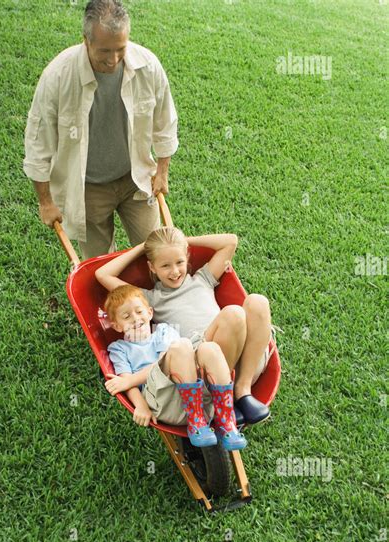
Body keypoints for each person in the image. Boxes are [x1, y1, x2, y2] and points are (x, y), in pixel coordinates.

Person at [23, 0, 178, 259]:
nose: (113, 59)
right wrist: (46, 202)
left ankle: (152, 300)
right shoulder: (57, 76)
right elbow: (38, 143)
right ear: (86, 40)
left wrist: (162, 171)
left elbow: (165, 122)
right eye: (104, 50)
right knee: (100, 267)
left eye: (120, 49)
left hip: (135, 179)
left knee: (156, 255)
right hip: (88, 187)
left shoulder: (148, 66)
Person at [95, 228, 274, 425]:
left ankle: (242, 391)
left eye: (179, 262)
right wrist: (141, 248)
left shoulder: (203, 278)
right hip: (205, 368)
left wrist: (180, 242)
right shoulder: (150, 300)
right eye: (165, 265)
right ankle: (225, 396)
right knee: (233, 314)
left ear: (187, 257)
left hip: (246, 362)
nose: (174, 271)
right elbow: (102, 274)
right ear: (152, 268)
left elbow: (230, 241)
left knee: (258, 302)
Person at [104, 284, 247, 449]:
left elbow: (128, 382)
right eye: (126, 316)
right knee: (182, 346)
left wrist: (129, 381)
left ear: (150, 313)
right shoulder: (119, 348)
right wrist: (141, 405)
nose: (135, 319)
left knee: (210, 348)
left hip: (195, 392)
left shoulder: (163, 331)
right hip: (162, 400)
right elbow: (126, 381)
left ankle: (226, 421)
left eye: (139, 311)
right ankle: (196, 421)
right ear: (116, 326)